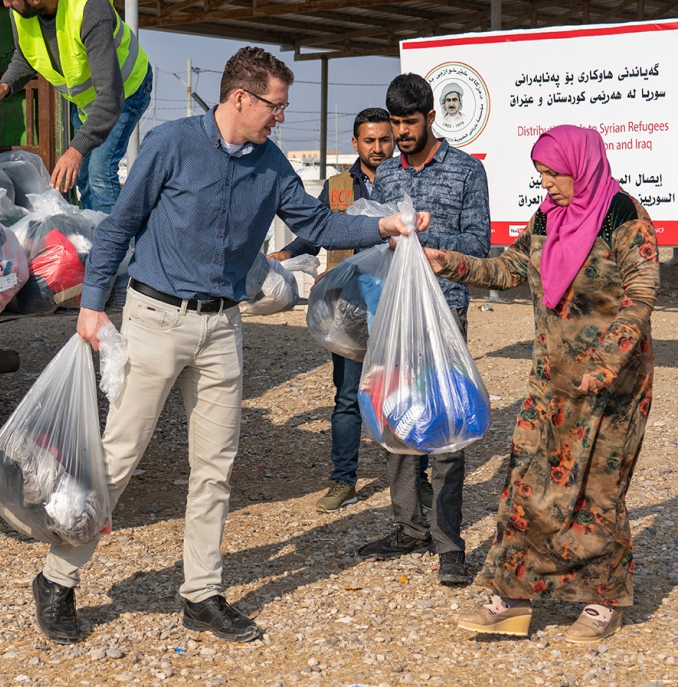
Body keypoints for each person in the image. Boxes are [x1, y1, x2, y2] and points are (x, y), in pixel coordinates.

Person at [29, 47, 428, 646]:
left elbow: (315, 225)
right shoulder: (172, 144)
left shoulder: (271, 166)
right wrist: (90, 304)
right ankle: (57, 578)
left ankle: (202, 593)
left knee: (215, 467)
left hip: (222, 329)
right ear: (241, 98)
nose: (281, 118)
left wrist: (383, 226)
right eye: (276, 105)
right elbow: (120, 224)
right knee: (119, 458)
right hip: (155, 319)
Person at [424, 125, 657, 643]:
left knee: (596, 492)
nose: (547, 183)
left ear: (583, 166)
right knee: (526, 485)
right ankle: (511, 599)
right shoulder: (549, 219)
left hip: (610, 389)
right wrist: (448, 262)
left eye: (555, 173)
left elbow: (640, 299)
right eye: (542, 174)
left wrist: (604, 364)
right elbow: (509, 269)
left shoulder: (625, 219)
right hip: (551, 384)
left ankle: (603, 601)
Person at [356, 73, 490, 585]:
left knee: (447, 425)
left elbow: (479, 246)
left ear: (432, 117)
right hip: (393, 313)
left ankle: (449, 544)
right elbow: (370, 231)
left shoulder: (464, 172)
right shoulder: (387, 175)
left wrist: (432, 231)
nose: (402, 132)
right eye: (395, 122)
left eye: (410, 122)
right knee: (395, 416)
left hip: (444, 314)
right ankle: (409, 526)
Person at [268, 107, 432, 513]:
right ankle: (344, 480)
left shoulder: (405, 180)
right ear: (355, 143)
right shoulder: (339, 186)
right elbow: (317, 232)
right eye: (370, 141)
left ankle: (417, 480)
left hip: (398, 303)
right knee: (347, 396)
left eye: (384, 140)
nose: (378, 148)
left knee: (406, 391)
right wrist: (285, 253)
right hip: (350, 307)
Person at [0, 0, 152, 214]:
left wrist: (75, 150)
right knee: (82, 178)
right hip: (87, 102)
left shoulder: (90, 10)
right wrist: (3, 87)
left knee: (100, 174)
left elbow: (110, 98)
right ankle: (94, 238)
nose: (6, 4)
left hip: (125, 92)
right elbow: (25, 58)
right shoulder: (21, 14)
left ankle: (117, 251)